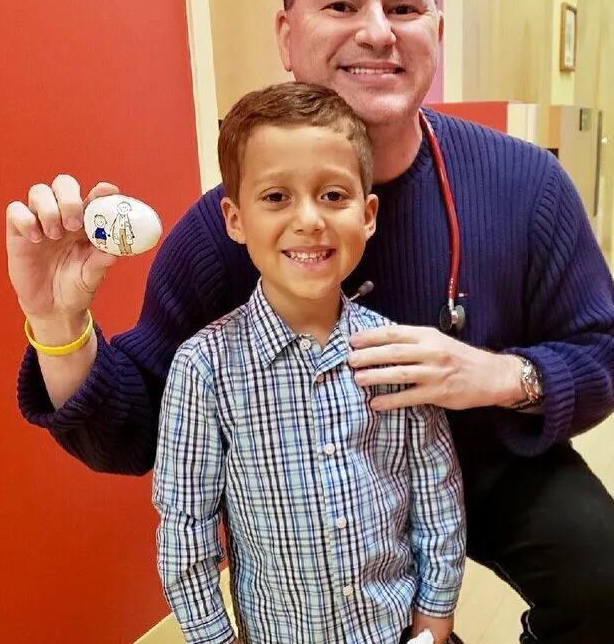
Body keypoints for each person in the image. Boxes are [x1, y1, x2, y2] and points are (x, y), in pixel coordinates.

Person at [6, 0, 614, 644]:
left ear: (437, 35)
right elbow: (140, 432)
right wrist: (58, 322)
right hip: (311, 498)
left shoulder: (526, 185)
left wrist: (495, 375)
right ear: (288, 36)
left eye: (405, 7)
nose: (378, 31)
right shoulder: (218, 231)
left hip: (494, 459)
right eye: (341, 3)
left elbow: (608, 354)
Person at [152, 82, 465, 644]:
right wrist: (212, 637)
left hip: (394, 630)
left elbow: (435, 488)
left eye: (333, 196)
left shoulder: (395, 350)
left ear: (368, 214)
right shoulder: (204, 369)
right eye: (275, 197)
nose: (309, 220)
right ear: (235, 218)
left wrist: (437, 609)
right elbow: (185, 527)